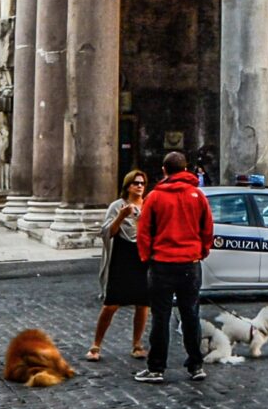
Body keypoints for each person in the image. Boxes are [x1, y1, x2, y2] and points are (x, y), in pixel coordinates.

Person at [136, 151, 214, 383]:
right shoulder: (197, 195)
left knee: (161, 317)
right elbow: (207, 229)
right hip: (190, 264)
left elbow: (144, 232)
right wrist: (201, 252)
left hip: (162, 264)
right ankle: (196, 365)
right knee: (190, 315)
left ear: (164, 170)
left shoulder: (155, 197)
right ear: (185, 169)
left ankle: (156, 368)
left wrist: (146, 257)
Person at [90, 171, 151, 361]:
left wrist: (141, 220)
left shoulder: (148, 205)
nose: (139, 186)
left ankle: (137, 344)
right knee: (111, 304)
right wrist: (122, 216)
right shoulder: (117, 206)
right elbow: (108, 232)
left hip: (141, 256)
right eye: (135, 183)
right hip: (121, 256)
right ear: (127, 186)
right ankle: (96, 345)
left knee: (142, 303)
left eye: (142, 183)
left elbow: (151, 232)